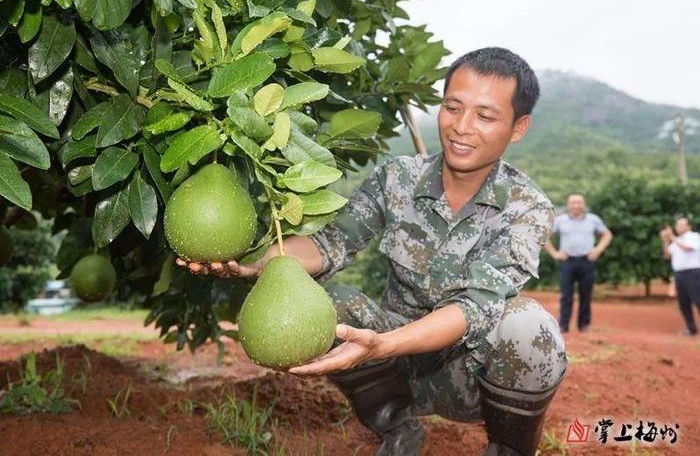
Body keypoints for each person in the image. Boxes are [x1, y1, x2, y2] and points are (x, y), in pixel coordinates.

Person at [179, 47, 568, 456]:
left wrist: (384, 344)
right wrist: (254, 263)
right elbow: (330, 243)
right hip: (391, 372)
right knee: (326, 303)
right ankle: (398, 428)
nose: (462, 127)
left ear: (518, 127)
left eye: (485, 116)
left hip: (469, 378)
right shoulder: (397, 178)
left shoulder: (527, 207)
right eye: (453, 107)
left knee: (528, 327)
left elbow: (475, 308)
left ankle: (509, 448)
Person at [543, 194, 613, 333]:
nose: (576, 205)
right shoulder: (560, 220)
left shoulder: (593, 220)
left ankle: (584, 325)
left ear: (584, 204)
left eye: (579, 202)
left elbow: (607, 235)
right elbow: (544, 237)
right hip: (567, 262)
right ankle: (563, 325)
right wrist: (555, 253)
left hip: (586, 262)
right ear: (568, 205)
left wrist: (597, 250)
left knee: (586, 295)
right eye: (573, 203)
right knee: (566, 295)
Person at [660, 218, 700, 336]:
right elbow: (667, 255)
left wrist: (672, 237)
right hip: (679, 274)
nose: (677, 227)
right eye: (676, 224)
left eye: (680, 224)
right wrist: (665, 241)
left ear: (688, 226)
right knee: (683, 302)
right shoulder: (677, 240)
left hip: (693, 272)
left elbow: (688, 249)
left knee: (698, 300)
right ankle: (691, 328)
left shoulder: (694, 236)